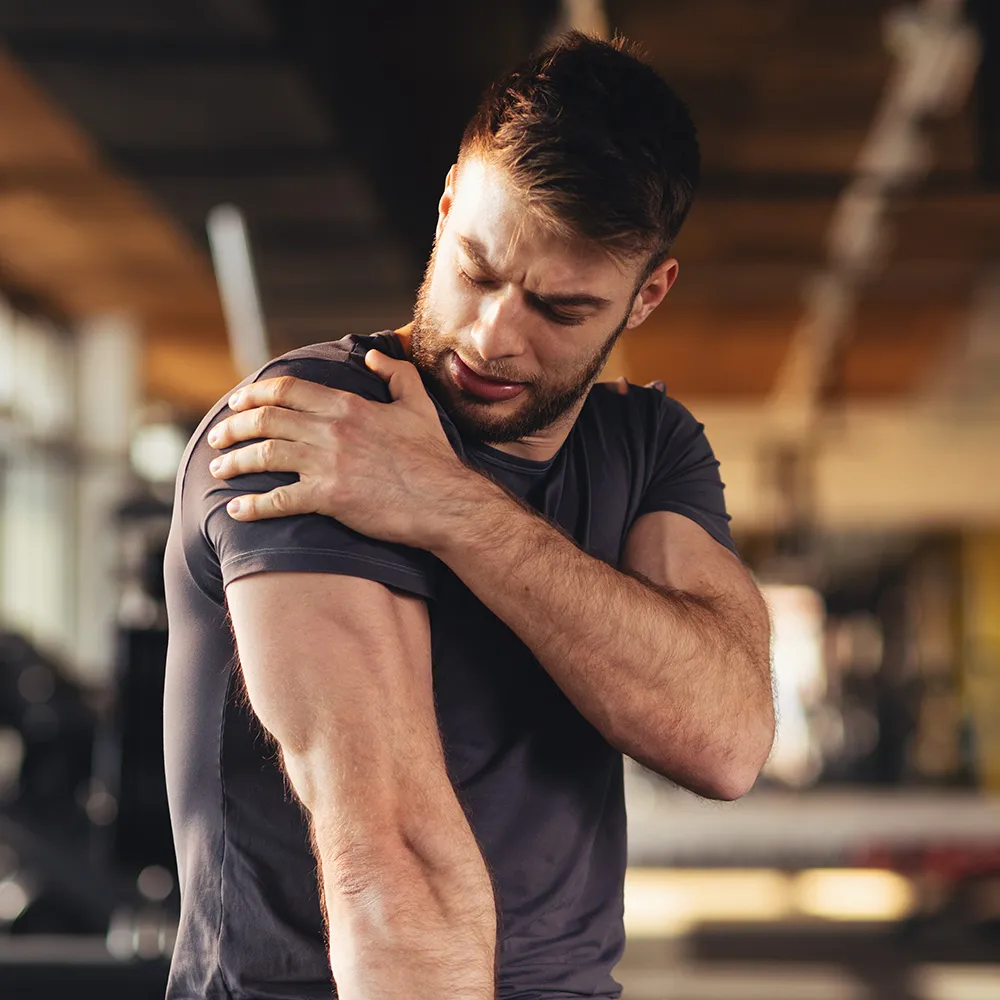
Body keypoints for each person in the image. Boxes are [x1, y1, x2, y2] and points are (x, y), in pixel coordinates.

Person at [163, 31, 774, 1000]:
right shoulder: (317, 426)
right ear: (448, 206)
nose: (493, 335)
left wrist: (449, 504)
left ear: (646, 295)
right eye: (478, 269)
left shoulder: (645, 445)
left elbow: (725, 738)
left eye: (560, 309)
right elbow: (388, 863)